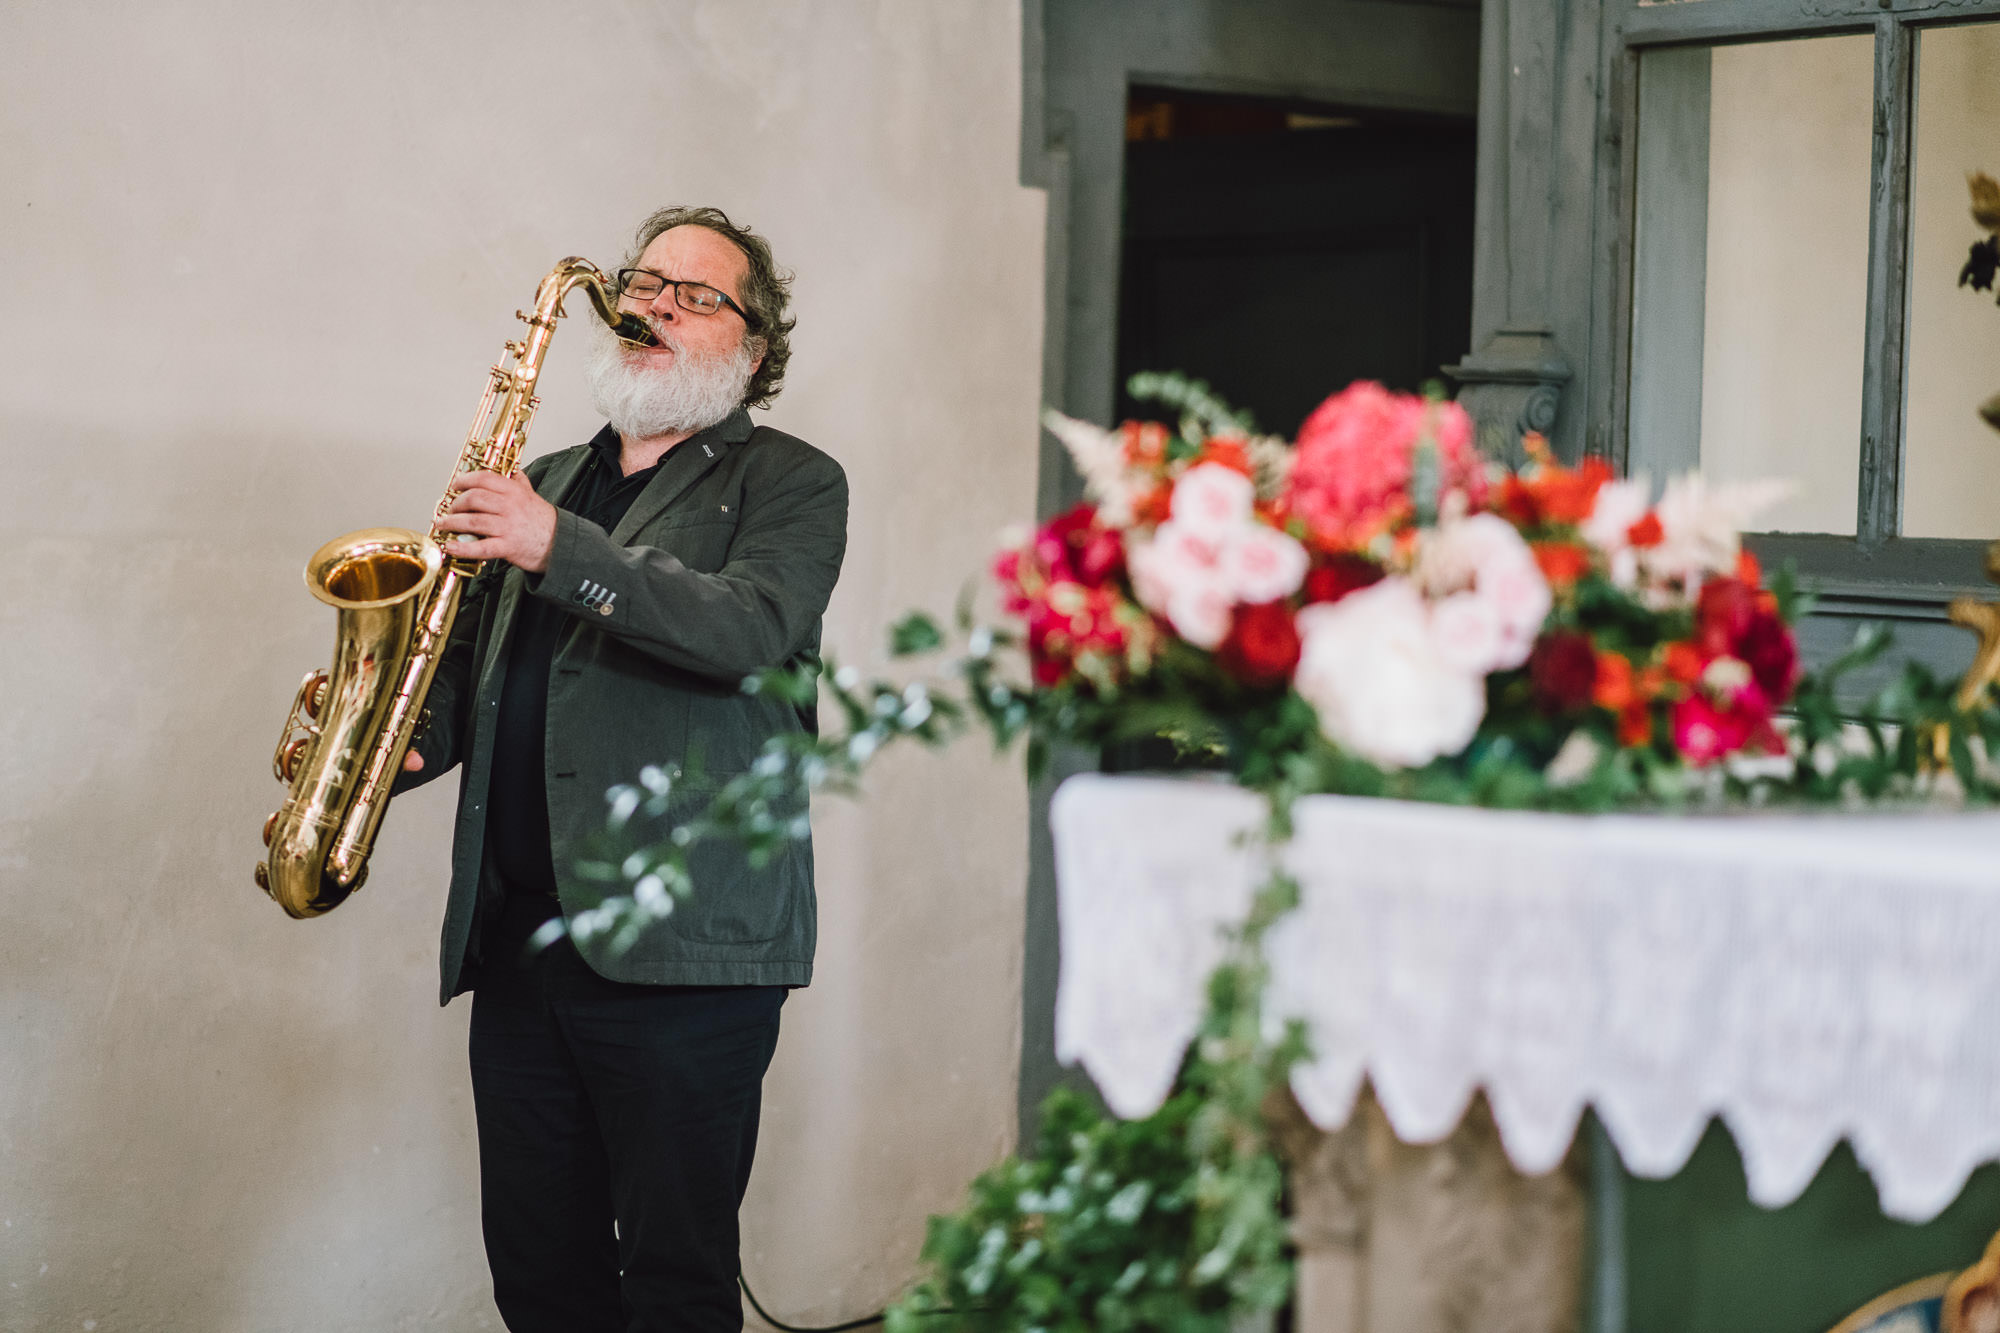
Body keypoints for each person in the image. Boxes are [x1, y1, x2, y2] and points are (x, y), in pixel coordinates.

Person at [395, 205, 848, 1332]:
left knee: (673, 1280)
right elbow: (475, 669)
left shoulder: (792, 482)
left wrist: (556, 546)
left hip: (686, 957)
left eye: (696, 294)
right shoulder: (545, 473)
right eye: (644, 282)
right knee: (539, 1276)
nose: (653, 303)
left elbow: (746, 629)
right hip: (521, 943)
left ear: (752, 347)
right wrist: (400, 736)